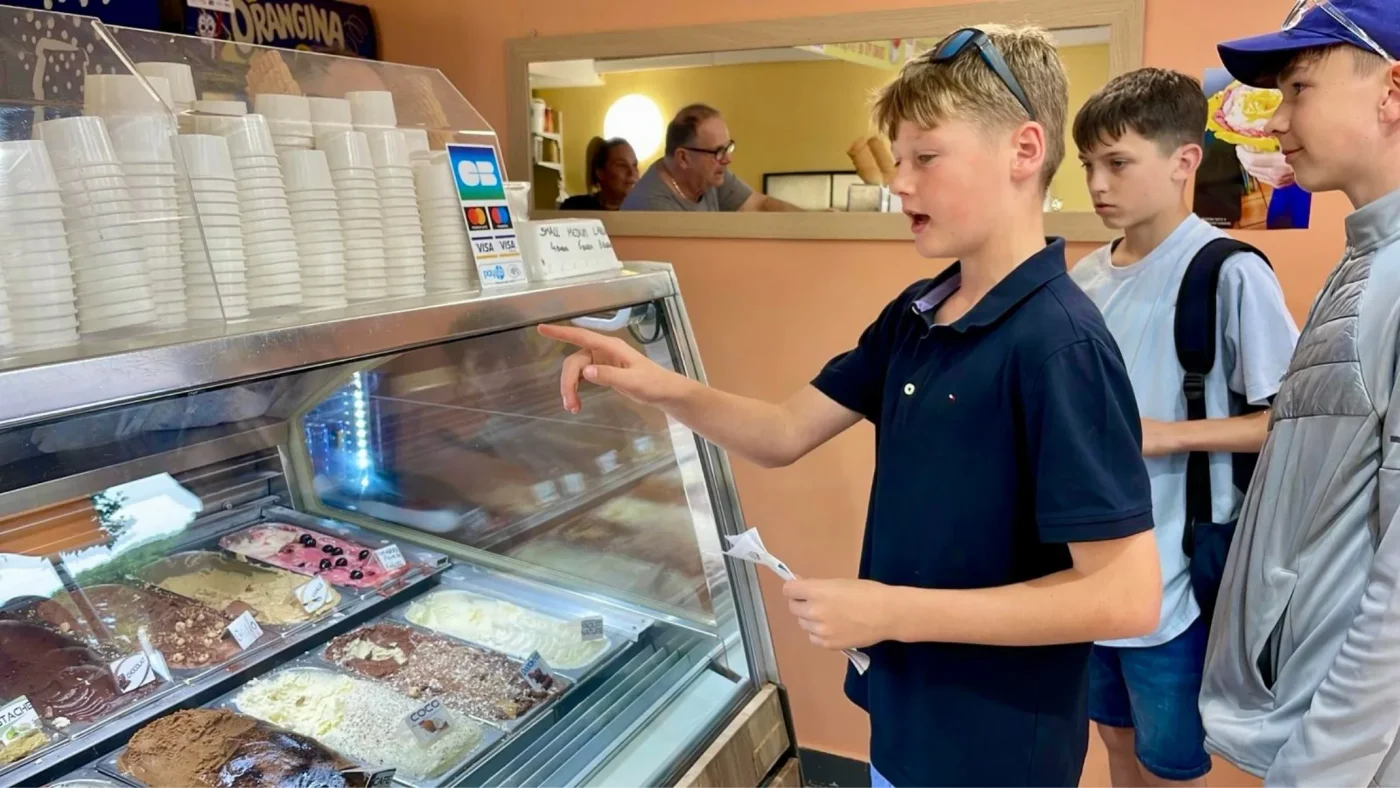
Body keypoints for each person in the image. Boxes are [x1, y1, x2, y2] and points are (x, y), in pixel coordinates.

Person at [542, 24, 1161, 786]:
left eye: (925, 157)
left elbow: (1125, 596)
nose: (900, 182)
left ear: (1024, 151)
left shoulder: (1060, 344)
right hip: (905, 717)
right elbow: (780, 430)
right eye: (896, 159)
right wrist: (651, 378)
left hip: (995, 749)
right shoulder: (916, 314)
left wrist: (892, 612)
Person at [1069, 68, 1299, 788]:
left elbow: (1290, 425)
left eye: (1118, 162)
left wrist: (1168, 435)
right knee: (1112, 736)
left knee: (1171, 764)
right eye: (1088, 167)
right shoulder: (1082, 280)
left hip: (1179, 583)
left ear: (1184, 160)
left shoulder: (1228, 274)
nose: (1098, 185)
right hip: (1088, 573)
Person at [1198, 2, 1400, 785]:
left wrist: (1317, 770)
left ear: (1391, 91)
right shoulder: (1366, 260)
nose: (1276, 121)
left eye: (1299, 88)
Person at [621, 104, 801, 212]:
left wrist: (816, 220)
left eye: (728, 148)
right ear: (683, 158)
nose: (727, 159)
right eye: (718, 152)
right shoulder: (650, 205)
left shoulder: (711, 177)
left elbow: (760, 206)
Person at [560, 137, 638, 211]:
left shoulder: (645, 209)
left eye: (634, 165)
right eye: (622, 165)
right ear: (600, 173)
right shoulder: (574, 208)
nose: (632, 172)